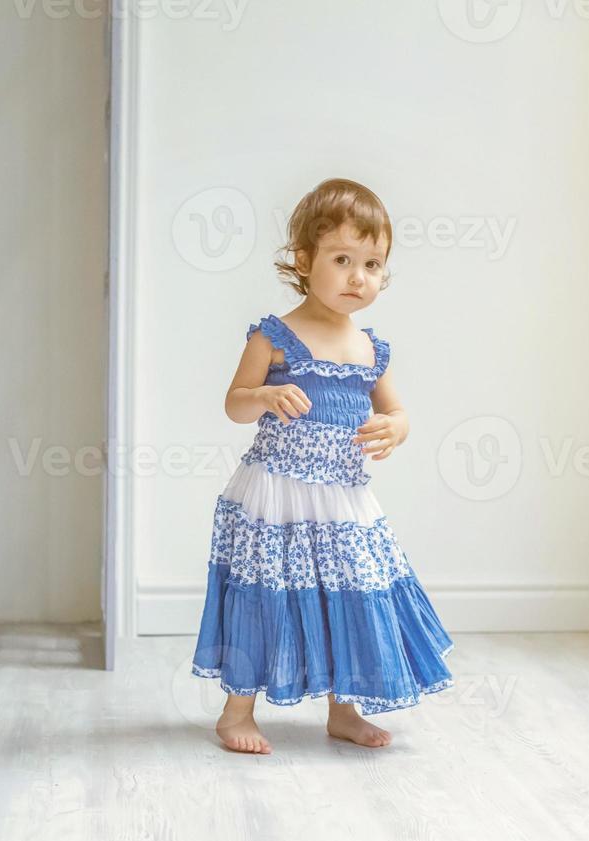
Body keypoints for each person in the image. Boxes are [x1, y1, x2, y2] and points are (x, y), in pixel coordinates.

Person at [191, 177, 455, 754]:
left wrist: (398, 427)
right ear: (305, 262)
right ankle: (237, 711)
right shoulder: (275, 337)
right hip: (277, 491)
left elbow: (397, 409)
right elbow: (234, 402)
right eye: (342, 259)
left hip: (342, 495)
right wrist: (262, 397)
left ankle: (344, 708)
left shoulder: (370, 348)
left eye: (373, 263)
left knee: (351, 591)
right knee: (268, 593)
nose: (359, 276)